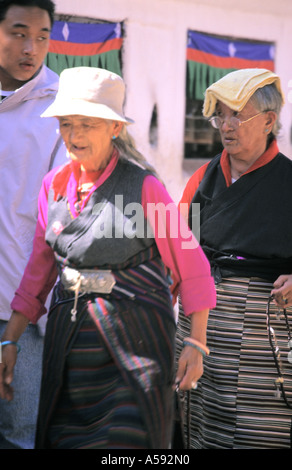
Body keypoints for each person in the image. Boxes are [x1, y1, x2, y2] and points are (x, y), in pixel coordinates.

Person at [0, 66, 216, 449]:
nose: (74, 135)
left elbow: (193, 264)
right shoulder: (54, 187)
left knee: (125, 442)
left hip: (135, 346)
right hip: (70, 345)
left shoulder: (145, 186)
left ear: (114, 128)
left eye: (87, 124)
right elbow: (40, 268)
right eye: (67, 123)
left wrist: (196, 345)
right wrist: (10, 341)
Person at [175, 68, 292, 449]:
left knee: (254, 429)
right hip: (198, 319)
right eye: (219, 115)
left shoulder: (287, 180)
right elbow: (175, 242)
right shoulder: (204, 177)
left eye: (237, 116)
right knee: (196, 419)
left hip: (262, 321)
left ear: (269, 121)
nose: (226, 126)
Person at [0, 0, 67, 449]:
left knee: (20, 435)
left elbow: (62, 214)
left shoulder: (58, 109)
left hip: (20, 310)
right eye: (19, 33)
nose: (31, 48)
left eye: (42, 37)